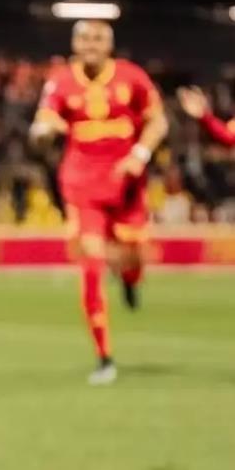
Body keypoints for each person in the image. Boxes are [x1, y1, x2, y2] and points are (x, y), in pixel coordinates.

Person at [30, 20, 168, 386]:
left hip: (126, 187)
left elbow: (159, 122)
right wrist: (43, 133)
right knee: (91, 266)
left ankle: (130, 280)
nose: (90, 44)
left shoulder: (132, 78)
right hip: (82, 189)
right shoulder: (61, 81)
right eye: (84, 38)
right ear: (75, 44)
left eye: (98, 38)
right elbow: (42, 123)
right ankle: (104, 357)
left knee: (133, 258)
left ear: (110, 45)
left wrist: (140, 153)